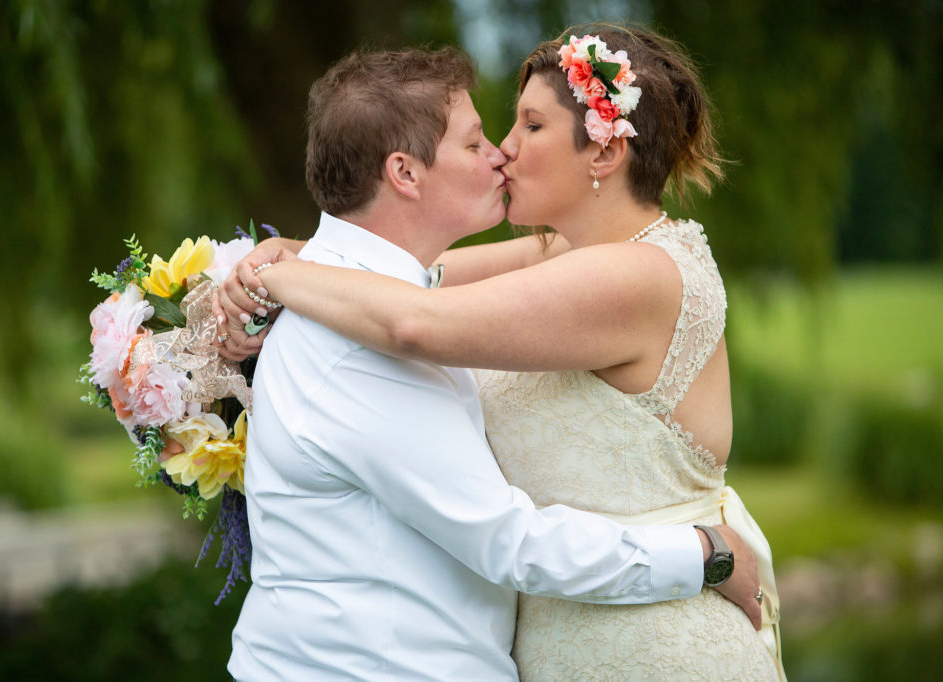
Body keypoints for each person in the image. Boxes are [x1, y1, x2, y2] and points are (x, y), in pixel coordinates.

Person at [218, 25, 784, 681]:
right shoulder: (563, 259)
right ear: (403, 171)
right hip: (561, 633)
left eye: (529, 126)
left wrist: (279, 276)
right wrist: (287, 258)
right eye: (482, 137)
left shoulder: (628, 278)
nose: (502, 153)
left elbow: (416, 314)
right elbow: (420, 281)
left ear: (603, 153)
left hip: (654, 640)